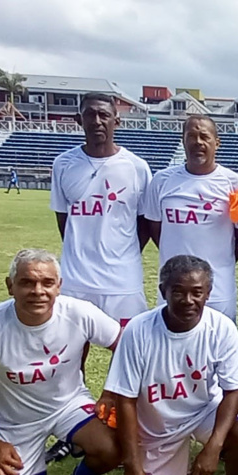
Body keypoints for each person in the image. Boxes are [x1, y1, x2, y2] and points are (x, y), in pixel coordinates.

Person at [0, 249, 122, 475]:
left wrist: (111, 393)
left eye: (47, 283)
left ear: (59, 286)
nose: (38, 291)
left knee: (113, 447)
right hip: (15, 422)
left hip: (69, 405)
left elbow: (124, 345)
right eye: (27, 282)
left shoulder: (79, 312)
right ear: (10, 286)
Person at [105, 255, 238, 475]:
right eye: (178, 291)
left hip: (201, 412)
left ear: (208, 293)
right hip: (157, 424)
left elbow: (233, 391)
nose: (188, 300)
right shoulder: (138, 329)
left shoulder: (222, 328)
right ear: (163, 291)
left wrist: (213, 447)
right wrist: (132, 466)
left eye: (197, 292)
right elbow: (125, 400)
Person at [50, 92, 153, 328]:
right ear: (79, 120)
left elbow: (145, 224)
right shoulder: (63, 164)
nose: (97, 121)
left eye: (104, 115)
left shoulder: (137, 167)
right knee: (70, 346)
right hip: (76, 280)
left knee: (127, 343)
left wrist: (123, 253)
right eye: (90, 114)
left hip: (122, 281)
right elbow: (63, 220)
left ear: (116, 121)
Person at [145, 115, 238, 321]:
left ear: (217, 143)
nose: (198, 142)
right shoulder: (161, 181)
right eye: (191, 136)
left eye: (204, 136)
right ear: (183, 141)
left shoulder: (235, 184)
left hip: (219, 291)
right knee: (171, 339)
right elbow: (155, 228)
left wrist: (219, 262)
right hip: (174, 290)